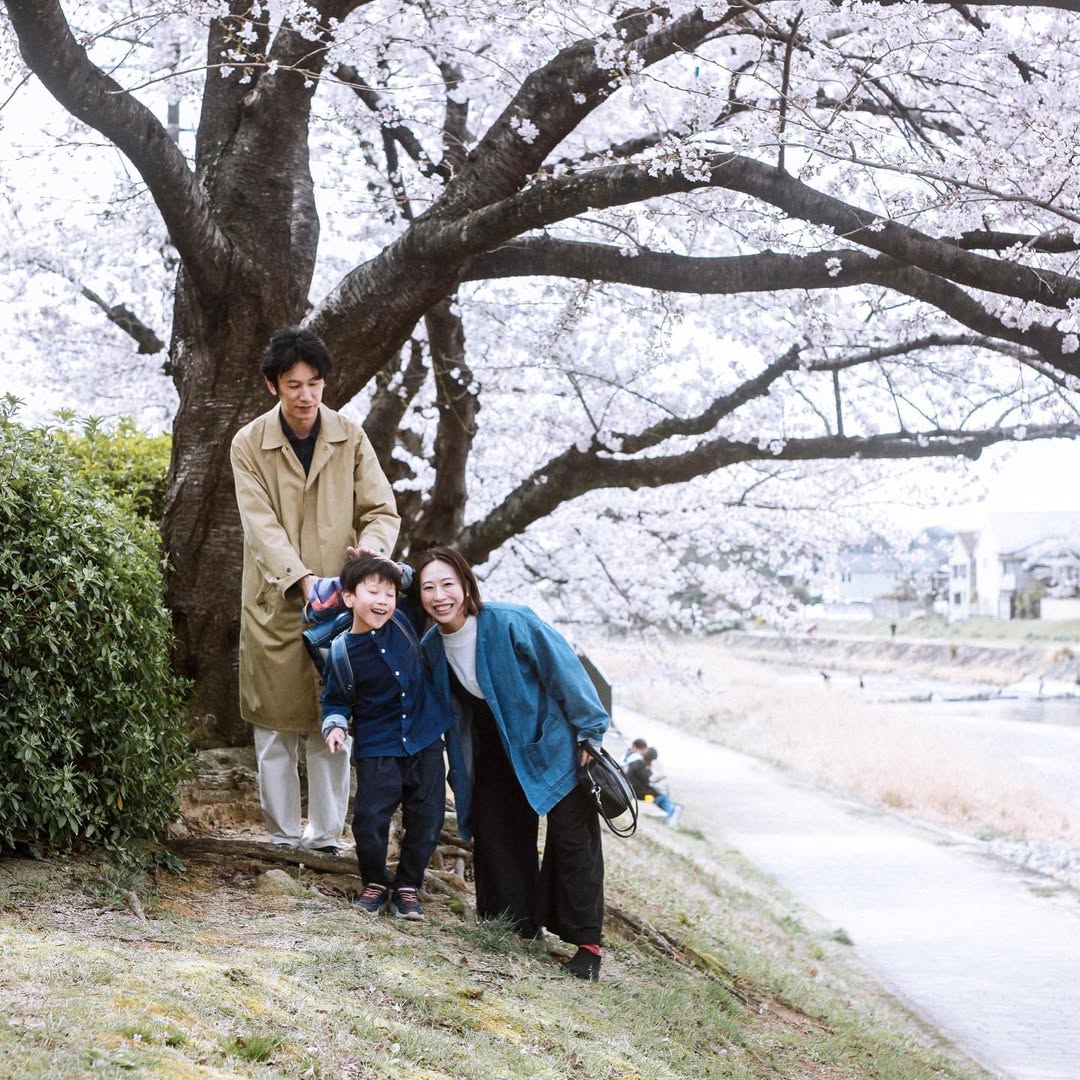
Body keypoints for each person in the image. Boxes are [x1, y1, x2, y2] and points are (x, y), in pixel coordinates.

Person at [230, 326, 399, 853]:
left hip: (343, 605)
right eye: (293, 385)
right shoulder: (249, 444)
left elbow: (380, 509)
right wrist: (301, 581)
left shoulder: (350, 436)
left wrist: (369, 555)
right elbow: (261, 525)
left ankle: (325, 837)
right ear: (271, 387)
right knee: (275, 726)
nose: (305, 396)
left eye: (315, 384)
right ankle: (281, 837)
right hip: (276, 600)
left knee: (336, 720)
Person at [416, 546, 609, 982]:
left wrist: (590, 731)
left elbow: (565, 670)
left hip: (549, 740)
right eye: (428, 587)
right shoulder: (432, 646)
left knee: (573, 839)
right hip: (490, 747)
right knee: (496, 831)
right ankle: (515, 925)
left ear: (467, 585)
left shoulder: (510, 620)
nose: (439, 595)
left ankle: (587, 946)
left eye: (448, 584)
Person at [320, 556, 453, 920]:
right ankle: (376, 882)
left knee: (427, 817)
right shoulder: (341, 651)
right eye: (373, 591)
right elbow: (334, 699)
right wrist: (334, 724)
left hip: (424, 738)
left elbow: (413, 579)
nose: (383, 600)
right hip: (378, 744)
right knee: (369, 819)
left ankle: (409, 885)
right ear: (349, 598)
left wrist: (386, 564)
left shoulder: (404, 618)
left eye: (389, 593)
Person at [626, 748, 682, 828]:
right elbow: (651, 779)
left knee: (662, 797)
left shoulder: (639, 763)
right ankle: (669, 818)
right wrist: (662, 776)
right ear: (652, 759)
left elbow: (648, 777)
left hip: (638, 791)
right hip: (638, 793)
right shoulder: (639, 765)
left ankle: (669, 814)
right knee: (662, 797)